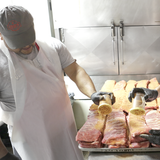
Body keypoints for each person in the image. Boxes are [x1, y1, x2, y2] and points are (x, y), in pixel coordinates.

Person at [0, 5, 113, 160]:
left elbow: (75, 71)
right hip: (31, 144)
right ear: (1, 36)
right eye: (18, 42)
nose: (26, 45)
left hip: (66, 132)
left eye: (28, 37)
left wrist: (92, 93)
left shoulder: (52, 46)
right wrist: (3, 155)